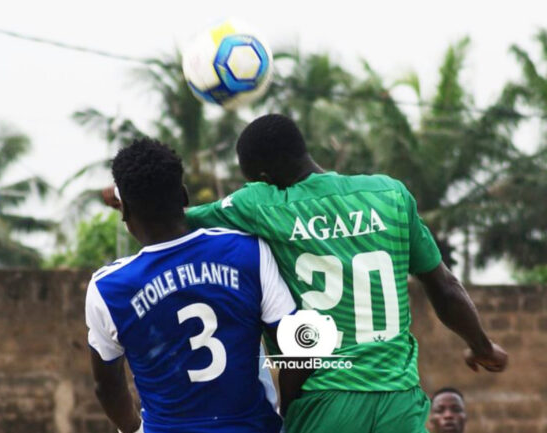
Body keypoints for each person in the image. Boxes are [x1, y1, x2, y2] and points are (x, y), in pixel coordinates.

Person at [102, 114, 508, 433]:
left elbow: (173, 218)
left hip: (324, 397)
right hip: (399, 400)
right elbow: (444, 286)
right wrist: (482, 345)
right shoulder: (391, 195)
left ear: (263, 178)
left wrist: (126, 197)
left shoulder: (261, 205)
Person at [85, 137, 298, 433]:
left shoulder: (109, 288)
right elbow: (295, 348)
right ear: (184, 196)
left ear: (125, 213)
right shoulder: (247, 251)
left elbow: (106, 387)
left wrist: (133, 429)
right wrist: (287, 416)